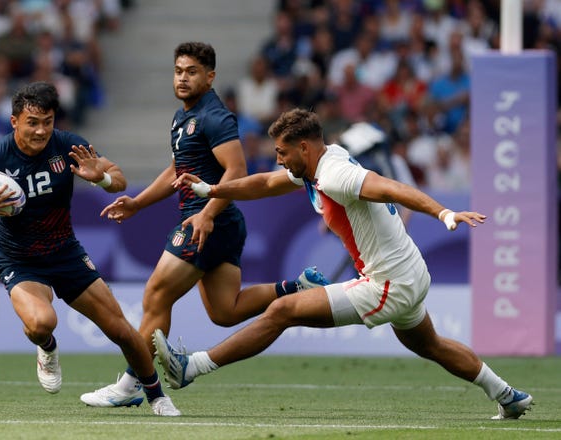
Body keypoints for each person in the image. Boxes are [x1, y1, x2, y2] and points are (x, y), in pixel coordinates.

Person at [154, 108, 534, 421]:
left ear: (304, 147)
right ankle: (507, 395)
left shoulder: (336, 174)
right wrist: (214, 190)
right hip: (409, 271)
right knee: (431, 344)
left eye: (282, 152)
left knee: (283, 310)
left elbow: (391, 188)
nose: (278, 159)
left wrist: (443, 212)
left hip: (389, 283)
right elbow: (267, 184)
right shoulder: (316, 164)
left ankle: (193, 367)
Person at [79, 43, 329, 408]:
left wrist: (207, 213)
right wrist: (137, 203)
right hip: (222, 224)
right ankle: (295, 286)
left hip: (206, 221)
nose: (183, 77)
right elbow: (175, 171)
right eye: (178, 70)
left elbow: (237, 172)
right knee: (224, 312)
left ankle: (133, 382)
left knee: (156, 295)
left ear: (210, 76)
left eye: (192, 71)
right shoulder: (183, 116)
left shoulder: (215, 116)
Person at [0, 81, 180, 416]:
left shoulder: (68, 146)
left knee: (121, 330)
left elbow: (117, 177)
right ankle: (47, 349)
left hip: (65, 253)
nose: (40, 131)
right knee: (40, 323)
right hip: (19, 260)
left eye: (47, 122)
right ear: (14, 122)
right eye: (32, 122)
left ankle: (156, 396)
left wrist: (102, 178)